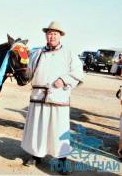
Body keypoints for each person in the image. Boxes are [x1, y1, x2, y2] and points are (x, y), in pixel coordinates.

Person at [21, 21, 84, 175]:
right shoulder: (38, 53)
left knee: (59, 131)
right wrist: (21, 74)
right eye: (49, 33)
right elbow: (29, 71)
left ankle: (62, 162)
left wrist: (63, 79)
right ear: (46, 35)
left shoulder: (68, 53)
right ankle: (35, 156)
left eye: (55, 34)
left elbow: (78, 72)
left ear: (60, 36)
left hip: (58, 98)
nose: (52, 36)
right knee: (38, 129)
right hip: (39, 97)